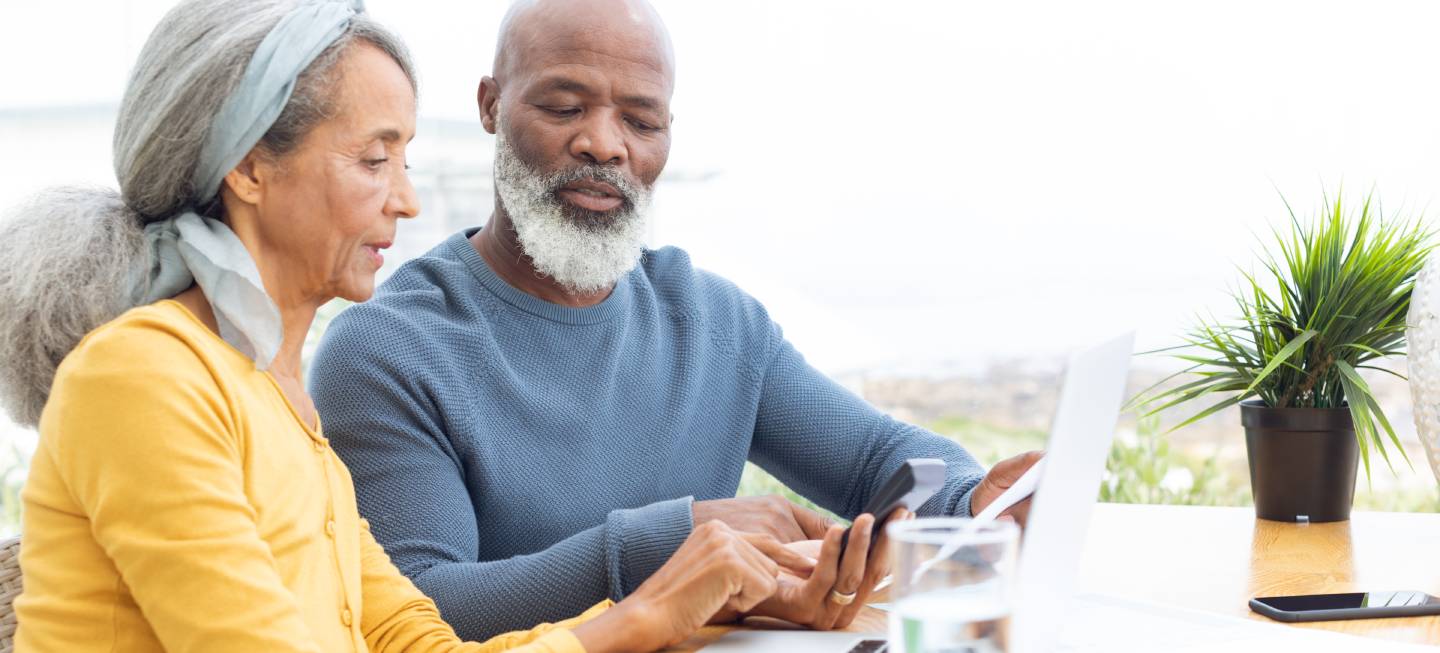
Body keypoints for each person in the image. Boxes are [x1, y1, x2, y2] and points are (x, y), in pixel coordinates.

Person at [0, 1, 836, 651]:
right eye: (374, 159)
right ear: (250, 168)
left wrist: (651, 612)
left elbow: (412, 639)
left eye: (404, 162)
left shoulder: (278, 400)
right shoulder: (144, 379)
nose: (405, 199)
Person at [308, 0, 1045, 641]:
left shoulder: (712, 321)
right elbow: (418, 606)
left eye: (641, 119)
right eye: (565, 107)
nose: (605, 143)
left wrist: (971, 500)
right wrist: (678, 540)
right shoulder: (386, 348)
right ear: (491, 106)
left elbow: (881, 459)